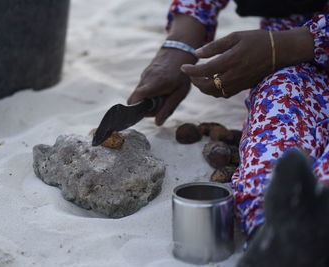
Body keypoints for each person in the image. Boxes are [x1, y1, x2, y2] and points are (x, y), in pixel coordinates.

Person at [127, 0, 329, 265]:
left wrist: (284, 46)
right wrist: (179, 47)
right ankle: (274, 233)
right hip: (296, 53)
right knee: (279, 110)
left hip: (290, 44)